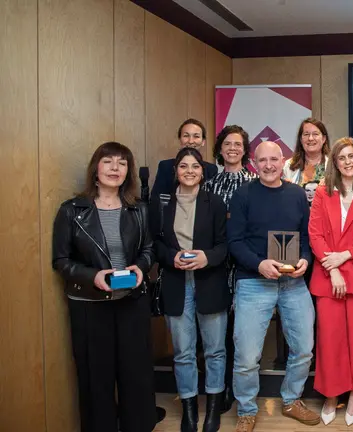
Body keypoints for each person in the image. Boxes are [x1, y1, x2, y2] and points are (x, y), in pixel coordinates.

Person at [52, 142, 156, 432]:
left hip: (132, 302)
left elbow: (149, 249)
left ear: (128, 171)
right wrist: (92, 276)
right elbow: (61, 260)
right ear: (95, 168)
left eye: (122, 163)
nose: (114, 168)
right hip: (90, 306)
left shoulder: (139, 210)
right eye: (108, 161)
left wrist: (141, 267)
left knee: (136, 376)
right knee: (95, 379)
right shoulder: (72, 210)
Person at [228, 141, 321, 432]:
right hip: (254, 283)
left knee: (304, 348)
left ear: (284, 162)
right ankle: (246, 409)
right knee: (246, 356)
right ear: (253, 163)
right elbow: (234, 242)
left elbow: (306, 240)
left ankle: (292, 399)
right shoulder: (242, 195)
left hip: (293, 283)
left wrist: (305, 260)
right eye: (262, 160)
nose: (268, 165)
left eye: (274, 159)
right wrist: (259, 265)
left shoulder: (296, 195)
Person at [151, 148, 230, 432]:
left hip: (209, 282)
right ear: (176, 171)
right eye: (183, 166)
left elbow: (225, 245)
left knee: (215, 351)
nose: (189, 171)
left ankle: (212, 409)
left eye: (195, 166)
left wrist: (207, 257)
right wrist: (168, 256)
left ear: (203, 171)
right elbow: (155, 243)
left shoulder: (216, 203)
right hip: (175, 283)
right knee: (183, 352)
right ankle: (188, 409)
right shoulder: (162, 204)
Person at [308, 137, 353, 426]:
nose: (348, 161)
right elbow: (315, 235)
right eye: (342, 157)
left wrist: (346, 257)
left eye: (352, 156)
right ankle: (331, 393)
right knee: (330, 340)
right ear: (334, 162)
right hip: (329, 277)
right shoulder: (322, 193)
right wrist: (333, 267)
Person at [202, 125, 256, 413]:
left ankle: (240, 390)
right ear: (220, 148)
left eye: (238, 144)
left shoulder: (255, 181)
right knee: (218, 330)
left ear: (245, 149)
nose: (233, 148)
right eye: (227, 143)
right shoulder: (208, 184)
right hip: (217, 264)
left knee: (241, 330)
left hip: (246, 265)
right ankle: (218, 389)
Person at [151, 118, 219, 199]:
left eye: (196, 136)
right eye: (186, 136)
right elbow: (156, 201)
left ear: (203, 141)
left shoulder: (211, 169)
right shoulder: (165, 166)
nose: (190, 141)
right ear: (180, 139)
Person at [283, 118, 330, 187]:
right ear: (301, 139)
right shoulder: (288, 166)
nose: (310, 138)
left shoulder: (333, 166)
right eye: (306, 134)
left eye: (315, 134)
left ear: (323, 139)